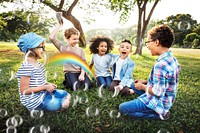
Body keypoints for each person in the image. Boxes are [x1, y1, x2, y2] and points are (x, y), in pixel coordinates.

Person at [119, 25, 181, 120]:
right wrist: (145, 81)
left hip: (159, 102)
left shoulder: (161, 65)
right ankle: (147, 101)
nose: (147, 46)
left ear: (156, 42)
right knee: (133, 84)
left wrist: (142, 87)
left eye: (148, 42)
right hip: (167, 99)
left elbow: (157, 92)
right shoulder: (172, 59)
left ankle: (159, 115)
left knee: (123, 108)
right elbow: (165, 82)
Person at [16, 32, 71, 111]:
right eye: (42, 47)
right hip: (35, 101)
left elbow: (38, 81)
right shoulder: (26, 67)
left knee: (67, 95)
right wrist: (44, 87)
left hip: (43, 94)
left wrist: (47, 84)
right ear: (31, 49)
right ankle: (35, 108)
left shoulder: (38, 64)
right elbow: (24, 90)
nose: (44, 49)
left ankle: (54, 103)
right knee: (65, 104)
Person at [49, 24, 92, 91]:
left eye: (77, 39)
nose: (76, 41)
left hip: (80, 72)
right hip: (70, 73)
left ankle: (74, 80)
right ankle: (67, 81)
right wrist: (59, 26)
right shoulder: (63, 48)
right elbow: (51, 37)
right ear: (67, 39)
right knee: (75, 88)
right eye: (74, 39)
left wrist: (82, 74)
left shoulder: (81, 50)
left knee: (88, 86)